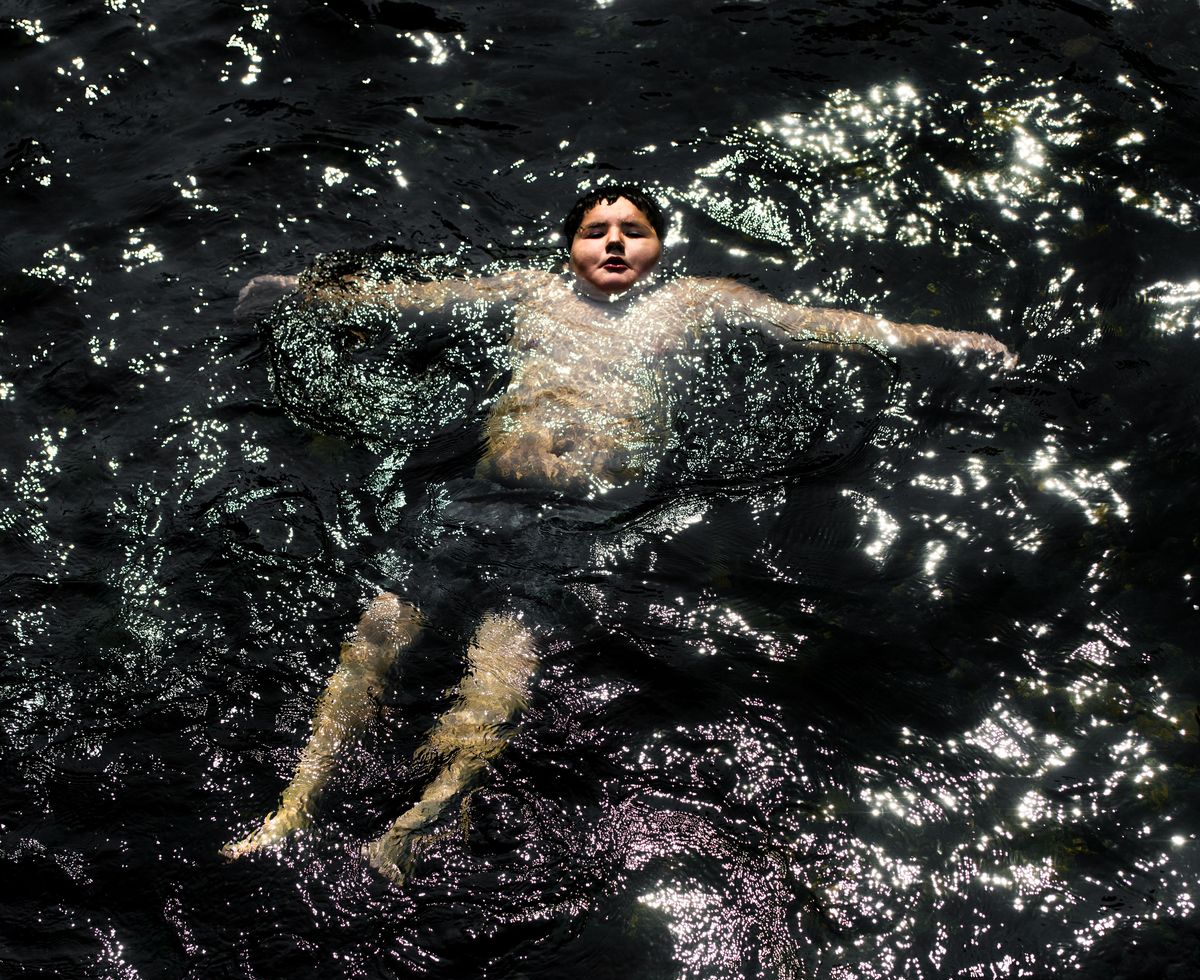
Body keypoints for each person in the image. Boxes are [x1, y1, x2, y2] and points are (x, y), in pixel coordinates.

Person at [223, 186, 1013, 881]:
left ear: (658, 246)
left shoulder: (698, 302)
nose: (612, 242)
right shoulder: (528, 290)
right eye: (597, 229)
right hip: (479, 496)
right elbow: (418, 299)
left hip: (579, 521)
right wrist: (302, 293)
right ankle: (294, 806)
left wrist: (942, 341)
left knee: (500, 667)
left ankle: (410, 828)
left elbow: (817, 324)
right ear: (569, 245)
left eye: (631, 230)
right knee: (376, 635)